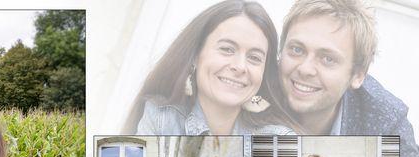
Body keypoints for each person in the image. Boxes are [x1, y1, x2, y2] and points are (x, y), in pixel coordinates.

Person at [278, 0, 419, 157]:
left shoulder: (386, 122)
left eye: (327, 59)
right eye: (297, 50)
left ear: (358, 75)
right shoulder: (249, 89)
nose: (306, 69)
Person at [124, 0, 302, 135]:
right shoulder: (161, 119)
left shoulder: (278, 139)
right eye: (227, 49)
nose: (240, 67)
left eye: (254, 58)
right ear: (195, 55)